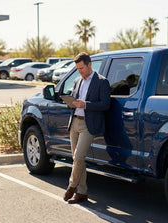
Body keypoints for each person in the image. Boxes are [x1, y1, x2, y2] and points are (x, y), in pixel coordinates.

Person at [63, 52, 111, 204]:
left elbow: (105, 104)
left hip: (88, 124)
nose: (80, 71)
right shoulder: (77, 80)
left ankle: (71, 185)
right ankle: (82, 192)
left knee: (78, 157)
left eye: (81, 68)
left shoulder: (102, 82)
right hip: (74, 122)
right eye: (77, 68)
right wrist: (70, 101)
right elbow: (73, 97)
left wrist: (86, 104)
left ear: (90, 65)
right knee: (78, 159)